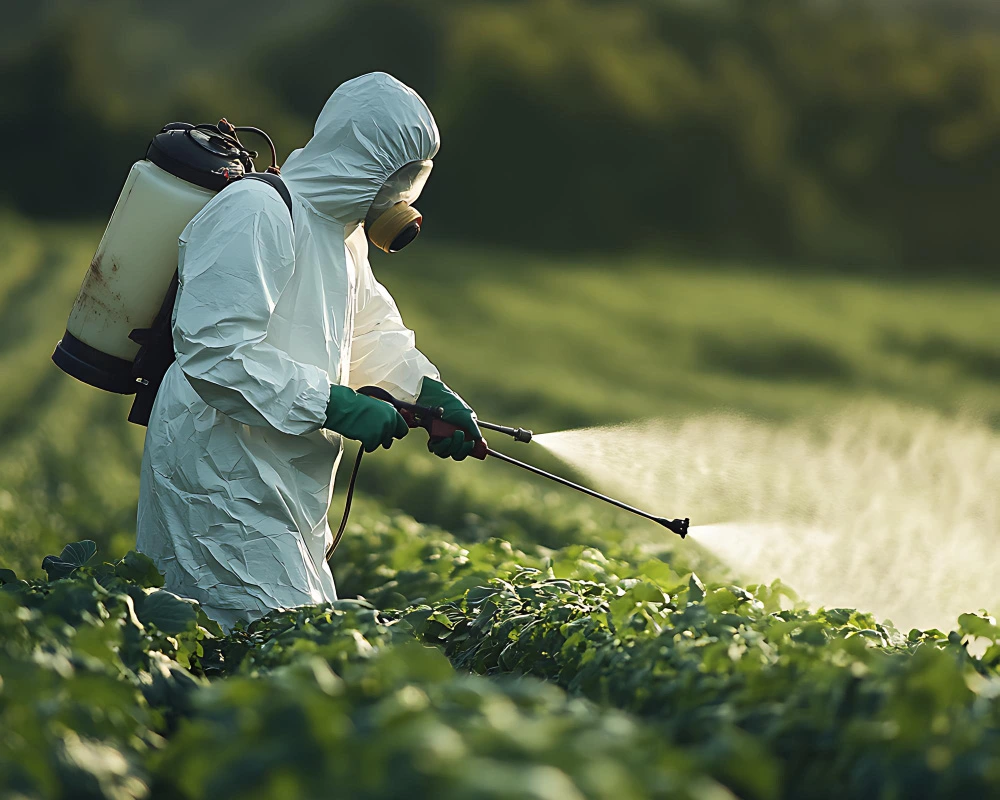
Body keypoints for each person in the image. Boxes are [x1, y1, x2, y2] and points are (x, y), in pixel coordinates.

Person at [136, 72, 481, 630]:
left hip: (288, 473)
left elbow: (370, 332)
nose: (399, 194)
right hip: (219, 468)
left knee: (294, 636)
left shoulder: (344, 237)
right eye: (394, 177)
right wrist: (332, 404)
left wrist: (425, 391)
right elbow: (213, 352)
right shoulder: (258, 209)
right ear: (360, 158)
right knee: (262, 637)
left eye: (410, 180)